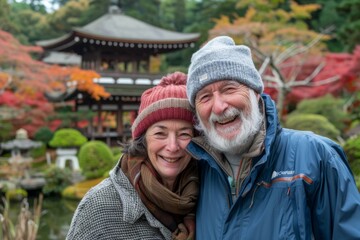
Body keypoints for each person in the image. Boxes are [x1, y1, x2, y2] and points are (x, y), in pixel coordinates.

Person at [185, 36, 360, 240]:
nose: (219, 106)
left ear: (255, 93)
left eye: (229, 89)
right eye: (205, 97)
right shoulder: (196, 170)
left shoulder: (315, 156)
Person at [66, 72, 198, 240]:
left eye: (184, 134)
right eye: (160, 133)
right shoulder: (99, 206)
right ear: (143, 140)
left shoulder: (208, 194)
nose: (172, 146)